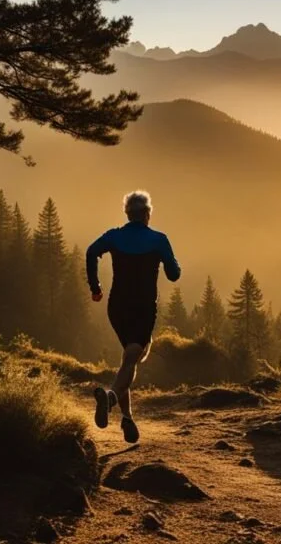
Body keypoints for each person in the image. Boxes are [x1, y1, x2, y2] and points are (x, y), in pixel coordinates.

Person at [87, 190, 180, 443]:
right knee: (132, 358)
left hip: (117, 306)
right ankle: (111, 398)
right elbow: (173, 275)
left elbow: (90, 252)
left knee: (128, 357)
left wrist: (95, 288)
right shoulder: (159, 239)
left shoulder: (114, 236)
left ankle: (127, 419)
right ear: (147, 214)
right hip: (143, 308)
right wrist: (174, 263)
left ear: (128, 214)